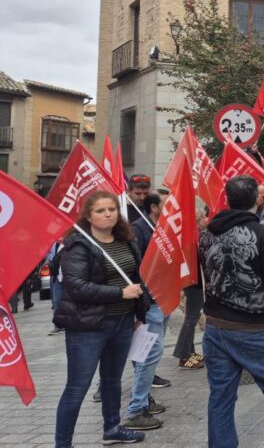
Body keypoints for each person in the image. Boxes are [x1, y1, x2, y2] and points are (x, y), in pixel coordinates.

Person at [200, 175, 264, 448]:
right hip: (257, 329)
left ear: (228, 200)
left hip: (216, 327)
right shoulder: (263, 235)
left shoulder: (208, 233)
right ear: (257, 200)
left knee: (221, 397)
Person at [54, 190, 147, 447]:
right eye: (100, 211)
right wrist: (120, 293)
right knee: (77, 387)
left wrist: (138, 312)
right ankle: (63, 443)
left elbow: (135, 278)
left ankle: (112, 428)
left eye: (112, 209)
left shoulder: (126, 240)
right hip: (88, 326)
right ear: (88, 216)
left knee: (112, 380)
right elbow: (76, 287)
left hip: (123, 322)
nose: (108, 214)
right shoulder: (78, 244)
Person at [123, 191, 171, 431]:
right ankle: (135, 409)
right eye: (166, 203)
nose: (171, 206)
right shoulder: (139, 229)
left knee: (144, 353)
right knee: (151, 352)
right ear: (153, 207)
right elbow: (137, 266)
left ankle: (143, 399)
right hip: (149, 300)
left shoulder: (161, 227)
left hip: (162, 296)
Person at [174, 208, 209, 369]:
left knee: (191, 316)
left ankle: (190, 351)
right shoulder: (193, 239)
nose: (206, 220)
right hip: (194, 283)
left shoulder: (192, 237)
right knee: (191, 319)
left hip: (193, 282)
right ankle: (184, 355)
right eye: (203, 218)